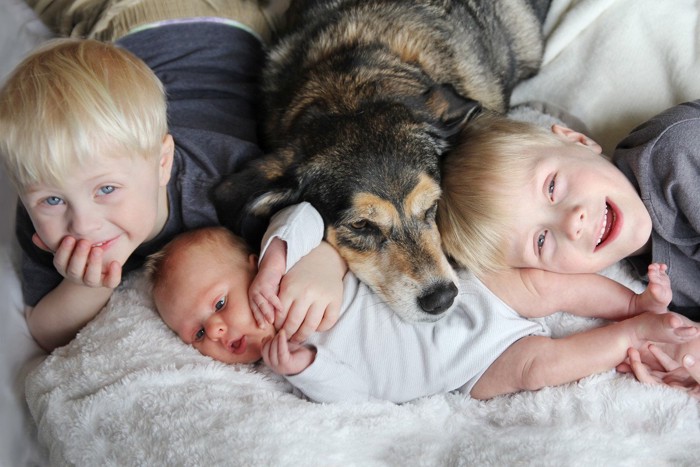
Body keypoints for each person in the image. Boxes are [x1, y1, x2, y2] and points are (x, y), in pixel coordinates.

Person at [0, 0, 337, 352]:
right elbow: (44, 332)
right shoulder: (43, 207)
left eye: (107, 189)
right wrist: (85, 285)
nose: (82, 224)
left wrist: (322, 264)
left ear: (163, 163)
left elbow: (317, 208)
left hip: (189, 19)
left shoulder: (223, 182)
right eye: (52, 200)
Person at [146, 202, 700, 403]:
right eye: (197, 334)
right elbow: (355, 395)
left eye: (217, 304)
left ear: (250, 264)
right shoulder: (289, 362)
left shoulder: (287, 262)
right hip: (466, 370)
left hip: (470, 298)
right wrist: (309, 371)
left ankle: (631, 306)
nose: (217, 332)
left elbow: (307, 213)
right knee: (538, 369)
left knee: (542, 286)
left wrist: (279, 256)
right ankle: (627, 336)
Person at [436, 107, 700, 392]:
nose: (571, 222)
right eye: (541, 240)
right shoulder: (649, 283)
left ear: (578, 140)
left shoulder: (678, 155)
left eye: (552, 187)